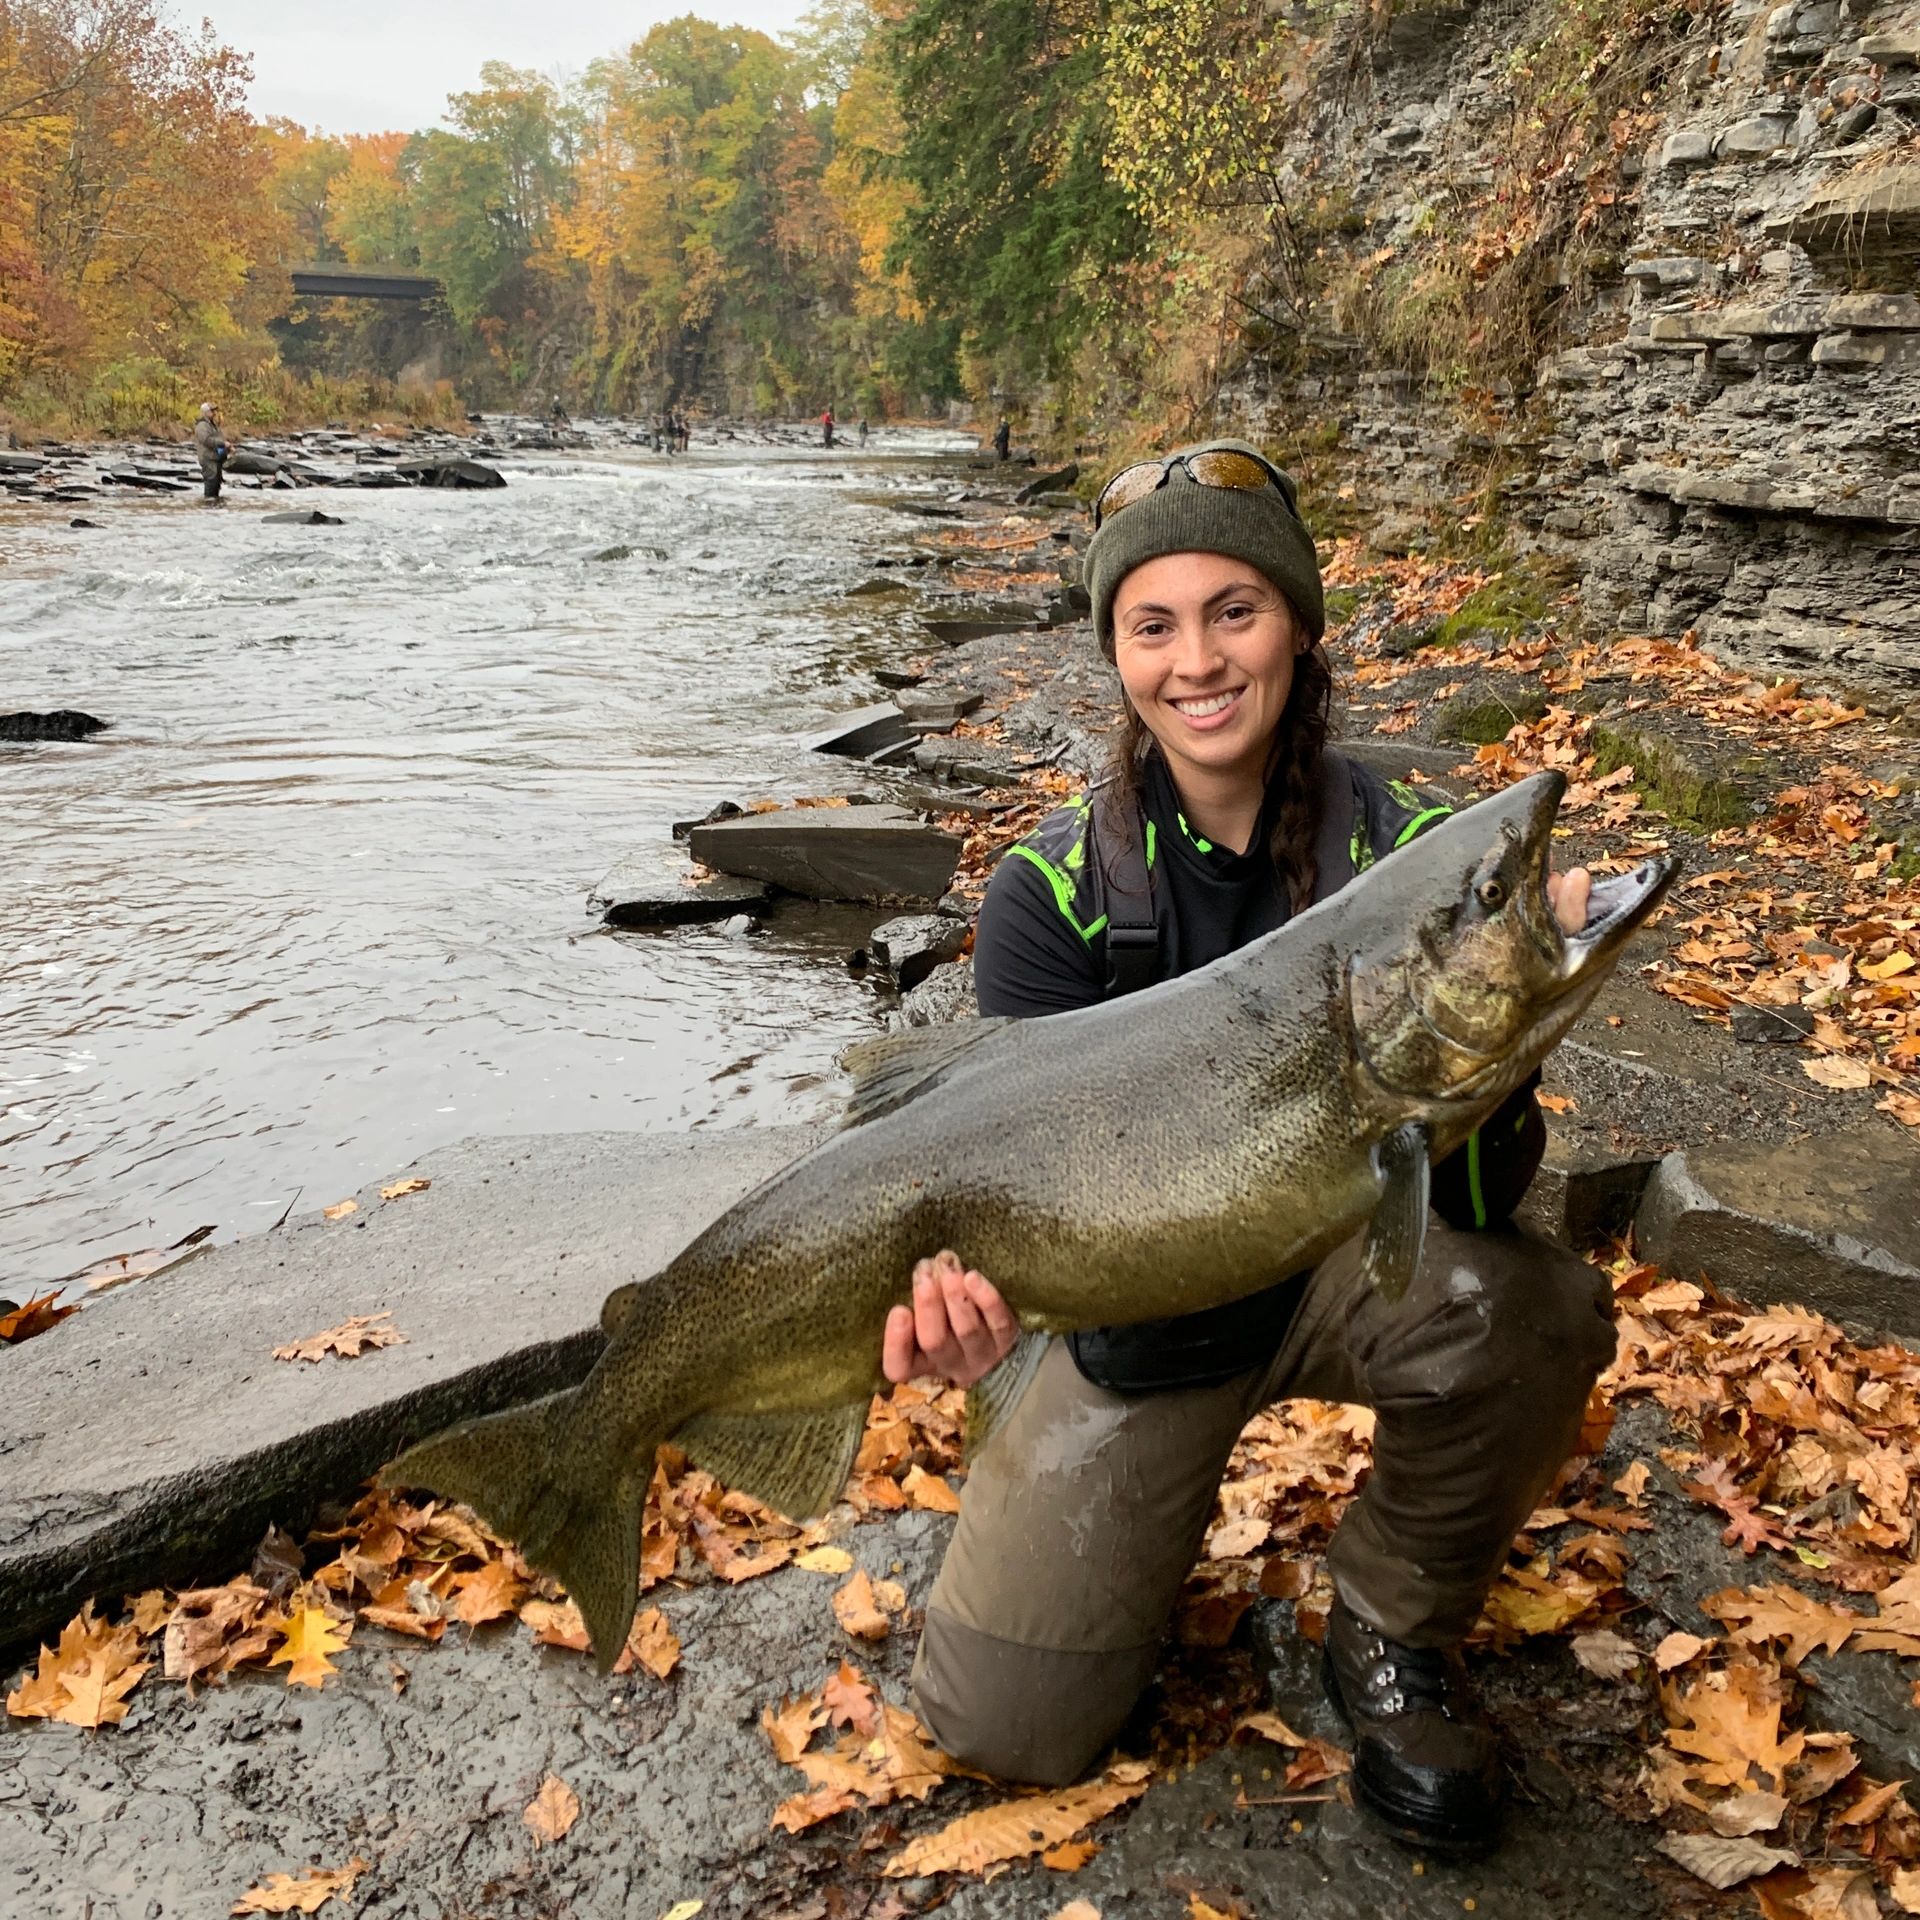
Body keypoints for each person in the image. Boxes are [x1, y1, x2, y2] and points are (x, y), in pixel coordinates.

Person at [887, 441, 1616, 1856]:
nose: (1198, 660)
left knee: (1531, 1308)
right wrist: (984, 1323)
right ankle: (1106, 1556)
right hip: (1137, 1321)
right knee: (1003, 1727)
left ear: (1299, 624)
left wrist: (1502, 1043)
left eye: (1237, 609)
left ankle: (1396, 1626)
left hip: (1342, 1267)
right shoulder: (1048, 896)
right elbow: (1000, 1194)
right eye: (1152, 625)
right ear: (1116, 655)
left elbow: (1470, 1200)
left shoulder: (1401, 851)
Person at [191, 401, 228, 503]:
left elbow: (216, 440)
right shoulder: (202, 425)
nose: (214, 413)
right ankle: (208, 507)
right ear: (205, 412)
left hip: (215, 459)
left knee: (216, 484)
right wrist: (223, 443)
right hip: (208, 459)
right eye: (212, 411)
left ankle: (214, 506)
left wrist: (225, 449)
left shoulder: (212, 425)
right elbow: (206, 440)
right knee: (211, 485)